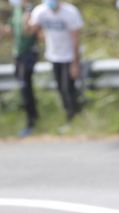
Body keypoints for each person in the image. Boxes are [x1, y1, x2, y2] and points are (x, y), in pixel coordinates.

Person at [29, 0, 83, 122]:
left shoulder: (70, 12)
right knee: (60, 88)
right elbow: (32, 29)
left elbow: (76, 40)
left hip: (69, 56)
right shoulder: (40, 11)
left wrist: (75, 63)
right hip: (53, 56)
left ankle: (74, 115)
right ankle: (70, 115)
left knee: (67, 88)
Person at [1, 0, 39, 137]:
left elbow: (27, 32)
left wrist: (27, 17)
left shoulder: (32, 11)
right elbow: (10, 32)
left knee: (25, 86)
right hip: (18, 54)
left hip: (28, 53)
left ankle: (32, 122)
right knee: (23, 88)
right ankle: (31, 119)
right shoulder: (16, 11)